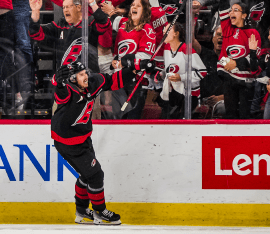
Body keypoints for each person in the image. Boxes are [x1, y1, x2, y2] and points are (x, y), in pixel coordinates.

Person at [51, 60, 152, 224]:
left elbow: (113, 81)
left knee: (87, 175)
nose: (85, 77)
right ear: (71, 80)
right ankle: (99, 212)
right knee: (96, 174)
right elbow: (60, 94)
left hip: (83, 137)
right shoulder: (68, 91)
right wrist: (59, 83)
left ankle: (81, 211)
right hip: (68, 142)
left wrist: (135, 68)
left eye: (85, 73)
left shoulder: (93, 81)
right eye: (81, 75)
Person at [29, 0, 111, 73]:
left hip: (88, 76)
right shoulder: (59, 25)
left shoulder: (90, 22)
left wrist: (92, 3)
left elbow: (104, 23)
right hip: (64, 77)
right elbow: (35, 34)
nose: (65, 10)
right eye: (64, 7)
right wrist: (35, 11)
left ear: (78, 7)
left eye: (68, 7)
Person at [109, 0, 156, 119]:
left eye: (138, 6)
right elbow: (120, 52)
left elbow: (144, 58)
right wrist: (115, 61)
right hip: (118, 78)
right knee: (118, 117)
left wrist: (123, 62)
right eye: (132, 5)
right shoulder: (123, 25)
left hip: (136, 80)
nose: (134, 7)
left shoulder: (147, 29)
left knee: (131, 118)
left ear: (144, 11)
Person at [151, 22, 207, 119]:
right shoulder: (167, 47)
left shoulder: (186, 49)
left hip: (189, 95)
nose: (164, 31)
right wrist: (161, 74)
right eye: (164, 29)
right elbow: (170, 68)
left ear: (176, 34)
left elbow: (202, 71)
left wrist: (181, 77)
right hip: (174, 92)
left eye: (168, 30)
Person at [217, 0, 262, 119]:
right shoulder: (227, 28)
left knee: (244, 115)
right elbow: (222, 56)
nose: (231, 12)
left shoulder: (253, 33)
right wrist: (227, 63)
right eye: (231, 10)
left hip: (245, 81)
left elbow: (254, 60)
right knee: (230, 114)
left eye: (235, 10)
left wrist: (236, 63)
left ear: (244, 15)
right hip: (229, 78)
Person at [194, 25, 225, 118]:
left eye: (223, 36)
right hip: (202, 103)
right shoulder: (204, 53)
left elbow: (238, 88)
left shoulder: (232, 61)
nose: (220, 37)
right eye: (218, 35)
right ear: (213, 39)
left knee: (221, 107)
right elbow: (191, 41)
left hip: (222, 103)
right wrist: (192, 15)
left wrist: (222, 98)